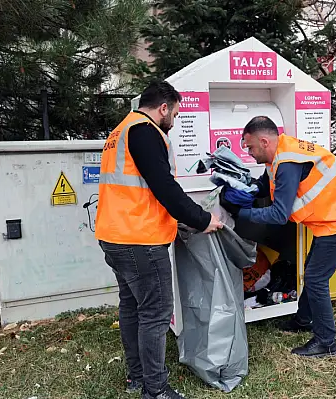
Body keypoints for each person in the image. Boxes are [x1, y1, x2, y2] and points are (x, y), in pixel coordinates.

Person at [95, 80, 223, 399]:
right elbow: (164, 188)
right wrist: (202, 218)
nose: (175, 121)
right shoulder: (145, 131)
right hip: (140, 240)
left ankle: (137, 377)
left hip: (115, 235)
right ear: (163, 108)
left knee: (132, 307)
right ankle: (155, 389)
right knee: (155, 312)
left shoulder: (120, 132)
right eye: (175, 115)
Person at [220, 116, 336, 358]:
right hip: (332, 217)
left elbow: (280, 214)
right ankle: (304, 320)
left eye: (250, 147)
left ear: (264, 141)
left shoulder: (287, 163)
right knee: (313, 271)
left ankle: (326, 342)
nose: (249, 153)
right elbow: (265, 182)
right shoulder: (280, 152)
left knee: (316, 278)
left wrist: (241, 213)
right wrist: (246, 189)